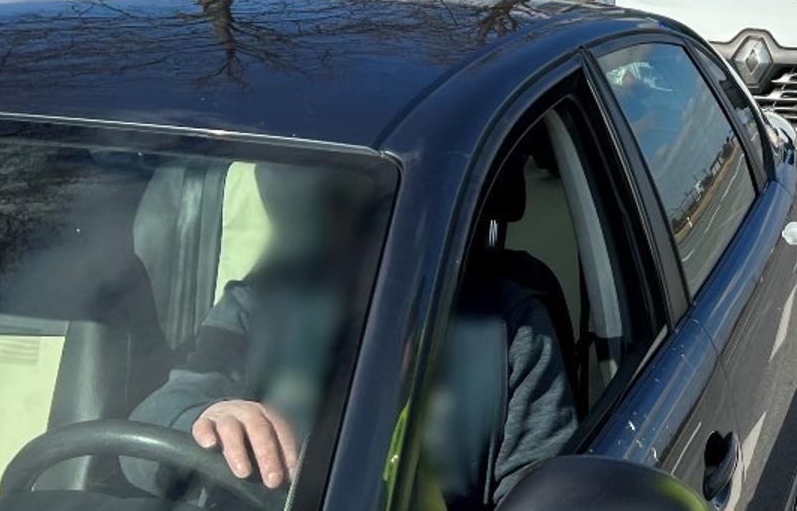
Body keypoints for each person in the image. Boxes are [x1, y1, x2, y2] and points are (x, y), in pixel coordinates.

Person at [127, 162, 576, 509]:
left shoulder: (508, 330)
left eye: (372, 224)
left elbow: (548, 488)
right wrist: (207, 417)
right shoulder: (257, 306)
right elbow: (147, 430)